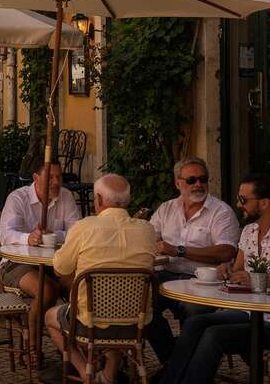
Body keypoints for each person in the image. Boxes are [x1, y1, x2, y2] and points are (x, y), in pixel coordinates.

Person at [157, 172, 270, 384]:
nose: (238, 204)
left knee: (214, 335)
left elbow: (251, 276)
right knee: (196, 324)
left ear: (264, 203)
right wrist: (226, 269)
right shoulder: (249, 231)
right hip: (248, 311)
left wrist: (256, 278)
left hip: (267, 317)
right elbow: (236, 270)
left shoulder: (222, 212)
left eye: (244, 200)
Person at [44, 174, 156, 383]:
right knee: (120, 304)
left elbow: (60, 268)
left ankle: (84, 372)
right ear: (127, 201)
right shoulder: (147, 231)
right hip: (135, 325)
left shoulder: (85, 227)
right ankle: (108, 374)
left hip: (88, 324)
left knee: (50, 317)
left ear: (99, 199)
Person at [145, 157, 241, 363]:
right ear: (178, 183)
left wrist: (179, 250)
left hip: (203, 281)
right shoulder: (167, 208)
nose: (198, 184)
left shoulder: (221, 211)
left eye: (203, 179)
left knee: (194, 313)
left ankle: (178, 370)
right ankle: (174, 364)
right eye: (191, 180)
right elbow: (148, 237)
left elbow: (226, 252)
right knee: (141, 307)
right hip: (166, 275)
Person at [0, 160, 83, 339]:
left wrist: (55, 234)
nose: (55, 182)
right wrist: (27, 238)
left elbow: (77, 232)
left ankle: (75, 343)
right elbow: (6, 235)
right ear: (36, 178)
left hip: (55, 262)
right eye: (50, 178)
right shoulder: (18, 198)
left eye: (58, 177)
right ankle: (32, 341)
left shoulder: (66, 196)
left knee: (79, 287)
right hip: (18, 263)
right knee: (46, 290)